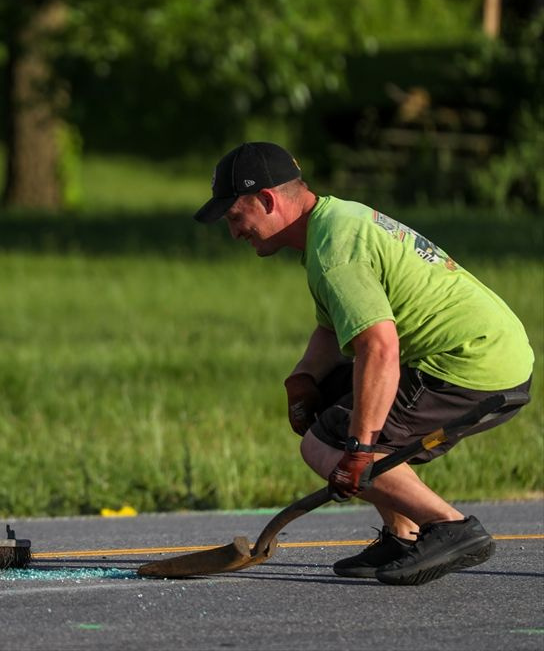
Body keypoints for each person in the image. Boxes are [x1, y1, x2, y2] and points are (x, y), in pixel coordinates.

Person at [194, 141, 533, 586]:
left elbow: (378, 348)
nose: (234, 232)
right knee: (330, 399)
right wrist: (302, 380)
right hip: (483, 353)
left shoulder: (335, 251)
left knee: (323, 445)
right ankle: (403, 533)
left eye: (235, 218)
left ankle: (450, 527)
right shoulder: (334, 222)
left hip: (468, 366)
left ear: (268, 200)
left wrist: (358, 448)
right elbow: (335, 331)